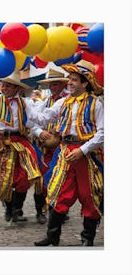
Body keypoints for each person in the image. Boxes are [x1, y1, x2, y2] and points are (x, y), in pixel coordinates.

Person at [31, 60, 104, 246]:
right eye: (69, 79)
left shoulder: (96, 104)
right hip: (65, 152)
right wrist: (25, 110)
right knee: (59, 191)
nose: (69, 83)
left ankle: (88, 239)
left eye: (73, 80)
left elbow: (103, 133)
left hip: (87, 154)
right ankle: (52, 236)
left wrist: (82, 150)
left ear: (84, 83)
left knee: (89, 195)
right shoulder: (63, 102)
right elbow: (43, 117)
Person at [0, 70, 43, 223]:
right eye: (4, 84)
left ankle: (17, 208)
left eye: (9, 85)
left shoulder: (26, 103)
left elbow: (33, 122)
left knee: (26, 176)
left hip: (22, 141)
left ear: (17, 88)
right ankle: (9, 208)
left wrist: (40, 132)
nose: (4, 87)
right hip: (5, 143)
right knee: (4, 179)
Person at [31, 69, 70, 224]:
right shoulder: (44, 103)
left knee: (63, 179)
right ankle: (40, 210)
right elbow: (32, 123)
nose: (53, 87)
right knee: (41, 180)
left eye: (55, 84)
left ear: (62, 85)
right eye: (51, 84)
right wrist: (40, 132)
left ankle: (58, 209)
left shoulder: (69, 102)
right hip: (45, 148)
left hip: (64, 146)